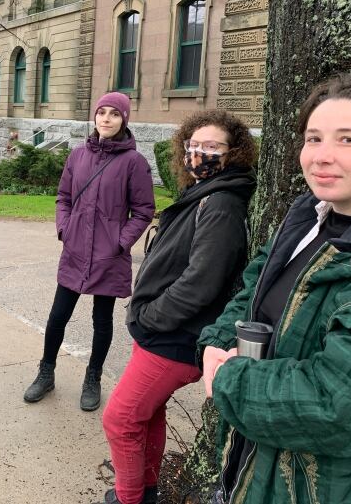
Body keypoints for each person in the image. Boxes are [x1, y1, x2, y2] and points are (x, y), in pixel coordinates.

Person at [199, 73, 351, 504]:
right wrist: (217, 340)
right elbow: (255, 284)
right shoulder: (309, 217)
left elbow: (337, 406)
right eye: (313, 139)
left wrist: (228, 378)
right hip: (252, 467)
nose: (322, 157)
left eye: (348, 140)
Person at [97, 110, 257, 504]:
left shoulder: (221, 203)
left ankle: (129, 498)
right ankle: (146, 488)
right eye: (194, 145)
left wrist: (151, 316)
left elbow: (202, 282)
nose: (200, 153)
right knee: (147, 414)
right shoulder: (203, 193)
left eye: (212, 146)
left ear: (233, 152)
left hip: (175, 335)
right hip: (160, 331)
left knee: (120, 418)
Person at [23, 92, 155, 412]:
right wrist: (64, 229)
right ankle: (46, 372)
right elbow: (63, 197)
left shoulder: (133, 163)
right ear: (94, 117)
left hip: (109, 255)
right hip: (76, 249)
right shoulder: (78, 156)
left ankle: (92, 377)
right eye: (101, 112)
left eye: (114, 114)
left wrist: (120, 242)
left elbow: (143, 210)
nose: (106, 119)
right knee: (58, 316)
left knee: (102, 320)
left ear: (124, 119)